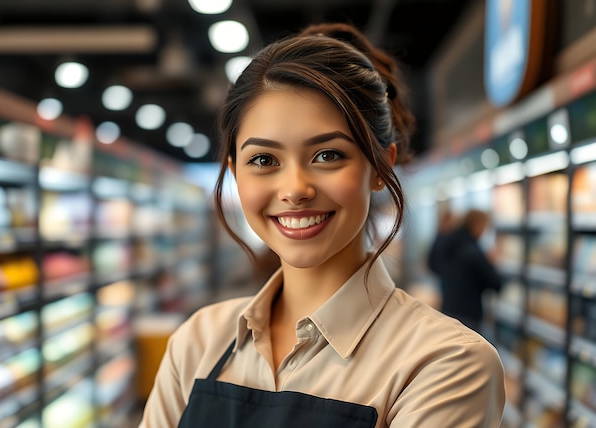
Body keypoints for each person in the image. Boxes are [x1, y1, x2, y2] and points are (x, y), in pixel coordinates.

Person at [139, 23, 505, 428]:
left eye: (328, 155)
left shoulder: (445, 364)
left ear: (380, 166)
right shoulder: (198, 341)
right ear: (235, 172)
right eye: (263, 160)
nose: (295, 189)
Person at [428, 209, 503, 334]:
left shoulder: (449, 244)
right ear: (477, 224)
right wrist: (492, 263)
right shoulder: (473, 251)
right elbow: (495, 283)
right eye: (484, 226)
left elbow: (433, 264)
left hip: (449, 308)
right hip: (469, 314)